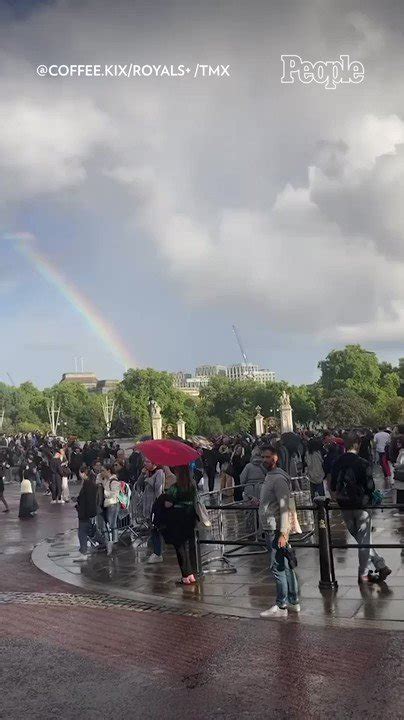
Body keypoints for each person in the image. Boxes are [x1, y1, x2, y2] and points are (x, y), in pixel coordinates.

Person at [331, 431, 391, 584]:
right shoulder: (363, 462)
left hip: (344, 505)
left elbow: (332, 485)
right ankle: (364, 573)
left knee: (360, 539)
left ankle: (378, 564)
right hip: (361, 505)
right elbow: (370, 487)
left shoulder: (337, 462)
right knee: (364, 540)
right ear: (357, 445)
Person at [259, 445, 300, 618]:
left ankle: (282, 604)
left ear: (275, 458)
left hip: (275, 528)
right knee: (286, 566)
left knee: (278, 568)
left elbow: (284, 507)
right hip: (273, 525)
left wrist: (283, 532)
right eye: (263, 457)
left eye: (267, 457)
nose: (264, 460)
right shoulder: (271, 476)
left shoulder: (278, 479)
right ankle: (293, 601)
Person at [155, 465, 198, 584]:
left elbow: (168, 504)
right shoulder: (192, 486)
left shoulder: (175, 487)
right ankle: (191, 574)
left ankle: (185, 575)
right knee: (189, 547)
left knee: (180, 548)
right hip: (190, 517)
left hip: (178, 518)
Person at [76, 466, 105, 556]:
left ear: (83, 473)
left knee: (82, 531)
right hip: (88, 512)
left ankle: (83, 550)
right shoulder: (90, 484)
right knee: (90, 529)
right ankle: (103, 542)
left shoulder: (88, 485)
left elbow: (87, 500)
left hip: (85, 512)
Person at [99, 461, 121, 554]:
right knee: (109, 525)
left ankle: (114, 543)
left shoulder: (114, 481)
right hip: (108, 505)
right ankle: (110, 543)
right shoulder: (106, 480)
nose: (101, 472)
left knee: (113, 525)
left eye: (103, 471)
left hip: (113, 504)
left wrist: (104, 492)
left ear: (108, 471)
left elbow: (115, 494)